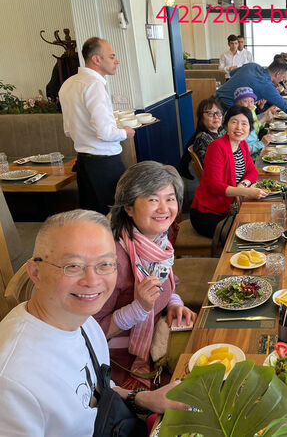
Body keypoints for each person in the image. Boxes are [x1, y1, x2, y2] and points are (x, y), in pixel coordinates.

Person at [0, 210, 187, 435]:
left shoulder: (83, 321)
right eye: (73, 266)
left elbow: (99, 390)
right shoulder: (12, 381)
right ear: (36, 272)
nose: (92, 281)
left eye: (105, 264)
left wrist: (145, 399)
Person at [94, 161, 197, 387]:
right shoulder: (111, 262)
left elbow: (166, 283)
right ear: (129, 208)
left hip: (156, 339)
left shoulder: (157, 242)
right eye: (152, 199)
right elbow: (90, 331)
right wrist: (139, 308)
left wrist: (174, 303)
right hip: (120, 363)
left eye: (170, 199)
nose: (164, 208)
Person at [58, 37, 135, 215]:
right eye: (112, 56)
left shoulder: (68, 84)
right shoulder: (94, 85)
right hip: (104, 165)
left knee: (92, 217)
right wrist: (125, 132)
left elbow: (68, 130)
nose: (117, 61)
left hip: (84, 163)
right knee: (115, 217)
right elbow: (105, 133)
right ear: (96, 59)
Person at [190, 105, 268, 238]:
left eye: (244, 124)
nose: (239, 128)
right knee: (251, 234)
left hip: (231, 207)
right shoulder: (216, 147)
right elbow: (215, 186)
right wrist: (246, 191)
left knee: (262, 223)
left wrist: (242, 185)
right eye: (234, 122)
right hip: (209, 213)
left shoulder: (241, 144)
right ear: (226, 125)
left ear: (250, 128)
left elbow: (252, 171)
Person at [215, 60, 287, 127]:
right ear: (278, 74)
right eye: (283, 76)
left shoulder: (252, 65)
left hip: (214, 98)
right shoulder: (266, 86)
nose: (282, 79)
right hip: (225, 111)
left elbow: (232, 73)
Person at [177, 97, 225, 179]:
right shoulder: (202, 139)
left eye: (218, 112)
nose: (216, 116)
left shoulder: (220, 132)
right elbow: (212, 171)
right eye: (210, 113)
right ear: (201, 117)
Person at [233, 87, 273, 156]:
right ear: (237, 103)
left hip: (257, 149)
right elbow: (240, 152)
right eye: (246, 101)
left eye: (251, 101)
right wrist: (261, 143)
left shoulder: (249, 112)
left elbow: (256, 125)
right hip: (251, 157)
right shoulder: (235, 120)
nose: (249, 105)